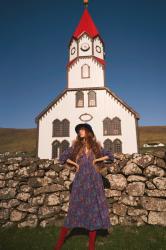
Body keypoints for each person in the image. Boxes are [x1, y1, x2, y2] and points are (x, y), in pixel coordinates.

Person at [54, 123, 114, 250]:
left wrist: (97, 160)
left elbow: (110, 156)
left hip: (94, 181)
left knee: (93, 210)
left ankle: (91, 246)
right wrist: (75, 165)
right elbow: (62, 158)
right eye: (79, 130)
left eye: (82, 129)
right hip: (80, 181)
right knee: (73, 209)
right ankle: (59, 244)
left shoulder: (96, 146)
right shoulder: (76, 146)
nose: (80, 131)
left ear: (88, 131)